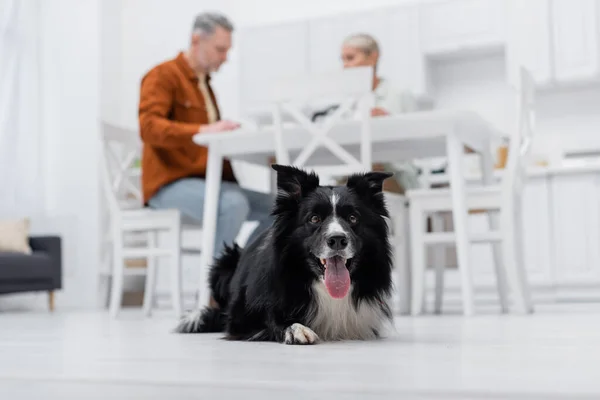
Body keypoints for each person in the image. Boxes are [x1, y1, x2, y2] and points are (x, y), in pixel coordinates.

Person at [138, 12, 274, 262]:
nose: (225, 58)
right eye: (220, 49)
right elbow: (149, 127)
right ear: (196, 40)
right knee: (233, 205)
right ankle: (217, 290)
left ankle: (244, 272)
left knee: (281, 209)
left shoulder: (205, 85)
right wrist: (204, 130)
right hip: (169, 183)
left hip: (208, 181)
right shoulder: (163, 75)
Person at [340, 33, 421, 193]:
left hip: (396, 176)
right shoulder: (348, 104)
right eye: (342, 60)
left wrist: (390, 122)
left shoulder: (399, 95)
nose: (345, 66)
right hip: (354, 176)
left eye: (350, 58)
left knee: (369, 169)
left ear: (373, 58)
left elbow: (416, 139)